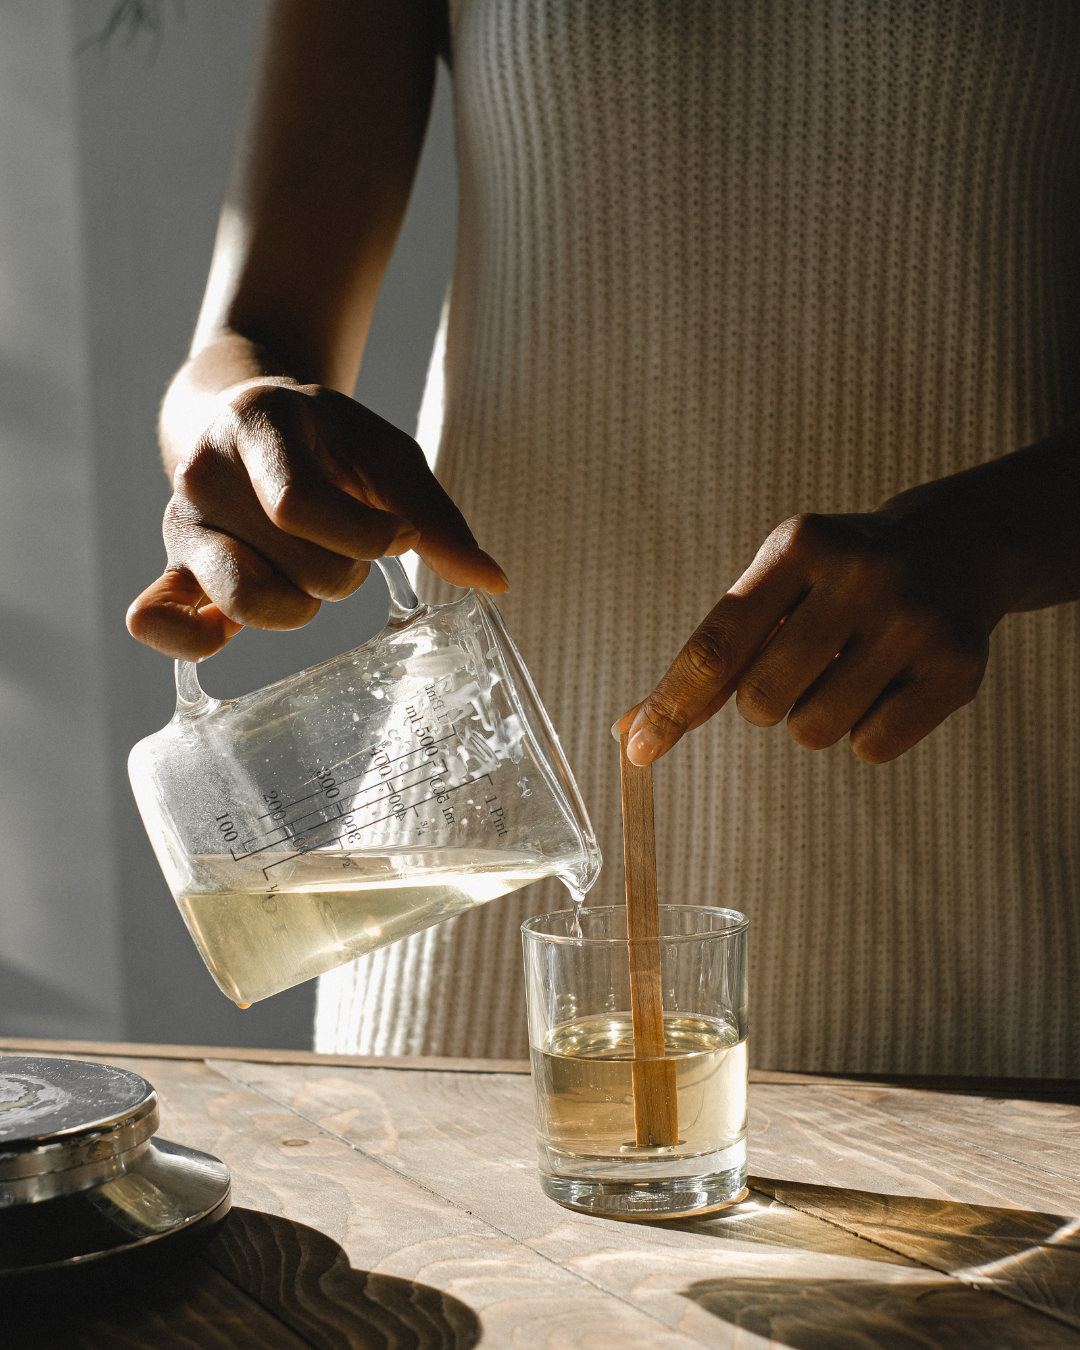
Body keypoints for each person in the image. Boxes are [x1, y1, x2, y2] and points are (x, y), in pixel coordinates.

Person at [129, 1, 1080, 1074]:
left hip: (986, 861)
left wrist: (993, 538)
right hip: (472, 880)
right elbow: (252, 333)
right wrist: (238, 421)